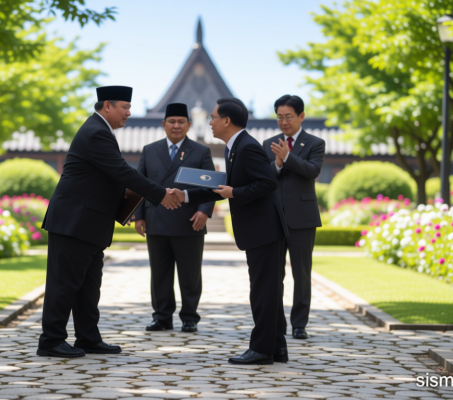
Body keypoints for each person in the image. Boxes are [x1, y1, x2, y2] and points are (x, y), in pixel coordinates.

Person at [38, 86, 182, 359]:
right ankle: (51, 340)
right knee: (64, 283)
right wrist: (161, 194)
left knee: (88, 286)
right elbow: (122, 172)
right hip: (74, 222)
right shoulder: (96, 133)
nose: (128, 113)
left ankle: (88, 337)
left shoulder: (102, 131)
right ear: (107, 105)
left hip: (89, 224)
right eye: (124, 107)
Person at [171, 98, 289, 365]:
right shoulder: (233, 147)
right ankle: (277, 347)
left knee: (263, 292)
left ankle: (261, 350)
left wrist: (235, 193)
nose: (210, 122)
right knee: (267, 290)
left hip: (265, 230)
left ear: (226, 121)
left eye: (212, 118)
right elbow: (221, 187)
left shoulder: (247, 147)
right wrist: (186, 195)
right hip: (259, 230)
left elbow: (267, 182)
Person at [134, 103, 215, 334]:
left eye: (181, 122)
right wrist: (138, 216)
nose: (176, 126)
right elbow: (139, 184)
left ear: (189, 125)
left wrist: (204, 211)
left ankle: (190, 317)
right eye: (172, 121)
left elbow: (211, 186)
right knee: (159, 273)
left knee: (190, 274)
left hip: (189, 221)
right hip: (156, 220)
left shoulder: (200, 151)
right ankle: (161, 317)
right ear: (164, 124)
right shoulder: (150, 150)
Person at [262, 95, 325, 340]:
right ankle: (276, 322)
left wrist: (287, 157)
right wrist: (277, 164)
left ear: (301, 116)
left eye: (288, 117)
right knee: (274, 274)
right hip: (274, 217)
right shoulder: (268, 143)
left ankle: (299, 324)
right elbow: (264, 177)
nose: (284, 122)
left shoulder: (315, 143)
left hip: (303, 218)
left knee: (302, 273)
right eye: (279, 117)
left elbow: (313, 170)